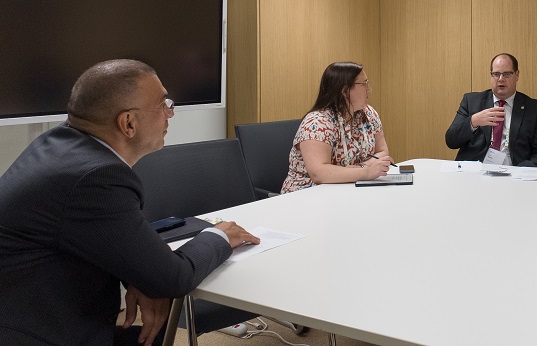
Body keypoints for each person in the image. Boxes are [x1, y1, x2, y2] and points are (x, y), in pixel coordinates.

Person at [0, 59, 259, 346]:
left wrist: (138, 275)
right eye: (164, 104)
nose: (170, 114)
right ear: (128, 123)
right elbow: (172, 278)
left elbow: (107, 236)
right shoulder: (97, 177)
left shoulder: (60, 144)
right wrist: (219, 234)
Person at [280, 62, 393, 192]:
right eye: (364, 84)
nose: (369, 89)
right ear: (344, 91)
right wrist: (367, 172)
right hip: (306, 196)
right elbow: (319, 173)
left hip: (348, 190)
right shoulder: (317, 123)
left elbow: (383, 153)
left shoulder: (368, 114)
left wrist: (360, 168)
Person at [445, 53, 537, 167]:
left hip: (514, 174)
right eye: (496, 74)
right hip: (476, 173)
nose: (501, 79)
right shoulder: (471, 101)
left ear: (517, 75)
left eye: (507, 74)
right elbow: (451, 141)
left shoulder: (533, 108)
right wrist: (473, 121)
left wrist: (519, 173)